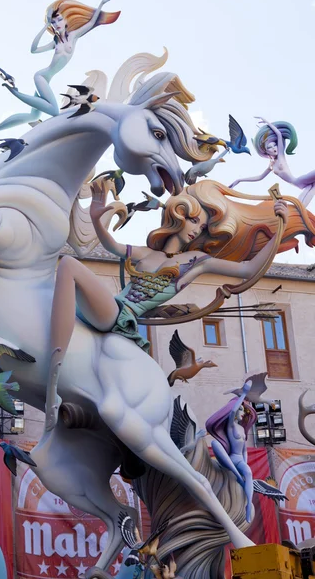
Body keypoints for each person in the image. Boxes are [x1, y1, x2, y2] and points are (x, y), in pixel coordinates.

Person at [46, 178, 293, 428]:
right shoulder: (146, 253)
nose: (197, 230)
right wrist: (97, 218)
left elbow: (248, 269)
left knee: (68, 265)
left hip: (120, 315)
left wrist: (279, 230)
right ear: (179, 214)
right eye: (194, 220)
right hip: (108, 307)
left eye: (203, 226)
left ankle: (53, 371)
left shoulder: (196, 260)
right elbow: (111, 245)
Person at [0, 0, 120, 133]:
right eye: (53, 21)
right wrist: (45, 27)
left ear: (66, 21)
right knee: (54, 111)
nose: (57, 24)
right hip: (41, 77)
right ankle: (15, 93)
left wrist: (101, 3)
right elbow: (34, 49)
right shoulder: (55, 42)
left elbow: (91, 22)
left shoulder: (73, 36)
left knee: (34, 116)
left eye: (59, 20)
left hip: (47, 79)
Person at [229, 117, 315, 206]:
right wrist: (239, 180)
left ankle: (300, 208)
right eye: (270, 147)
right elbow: (259, 177)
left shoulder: (281, 155)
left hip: (299, 181)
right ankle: (300, 210)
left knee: (311, 189)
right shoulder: (271, 166)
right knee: (306, 197)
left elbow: (278, 134)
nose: (274, 148)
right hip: (298, 183)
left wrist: (267, 122)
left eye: (275, 145)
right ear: (266, 151)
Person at [205, 380, 257, 522]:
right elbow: (233, 410)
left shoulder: (242, 429)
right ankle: (238, 477)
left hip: (240, 459)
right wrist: (244, 393)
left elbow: (245, 450)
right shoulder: (231, 425)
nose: (243, 413)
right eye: (241, 410)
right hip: (231, 458)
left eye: (244, 410)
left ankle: (248, 505)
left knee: (249, 472)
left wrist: (245, 463)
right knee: (215, 443)